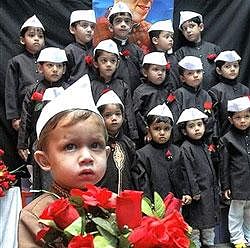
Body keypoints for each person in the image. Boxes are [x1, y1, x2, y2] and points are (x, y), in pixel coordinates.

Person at [18, 74, 111, 247]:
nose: (86, 157)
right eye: (70, 147)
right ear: (44, 160)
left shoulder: (113, 205)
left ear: (106, 154)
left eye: (95, 145)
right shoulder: (36, 216)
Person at [17, 47, 67, 192]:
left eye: (59, 66)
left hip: (64, 141)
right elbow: (26, 117)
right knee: (42, 180)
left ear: (64, 69)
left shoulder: (68, 90)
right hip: (39, 143)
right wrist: (22, 144)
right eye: (50, 65)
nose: (55, 69)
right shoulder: (34, 90)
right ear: (40, 67)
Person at [177, 107, 219, 248]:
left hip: (208, 193)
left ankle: (209, 244)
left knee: (208, 225)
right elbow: (187, 171)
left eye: (199, 125)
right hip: (197, 196)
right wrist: (194, 192)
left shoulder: (204, 145)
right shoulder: (186, 148)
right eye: (191, 126)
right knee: (194, 226)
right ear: (184, 131)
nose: (196, 129)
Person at [133, 103, 191, 204]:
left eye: (166, 129)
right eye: (157, 129)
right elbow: (143, 184)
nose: (162, 133)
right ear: (148, 130)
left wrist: (186, 193)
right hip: (154, 208)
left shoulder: (178, 151)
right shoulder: (142, 155)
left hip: (176, 204)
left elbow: (184, 174)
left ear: (171, 129)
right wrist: (149, 205)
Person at [90, 39, 138, 142]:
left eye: (112, 61)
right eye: (104, 60)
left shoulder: (122, 86)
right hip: (96, 135)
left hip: (120, 135)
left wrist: (133, 135)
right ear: (95, 62)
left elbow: (129, 113)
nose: (108, 64)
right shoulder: (91, 87)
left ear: (117, 63)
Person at [5, 15, 45, 131]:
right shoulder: (16, 62)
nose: (36, 38)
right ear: (23, 40)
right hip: (25, 110)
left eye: (40, 36)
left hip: (46, 108)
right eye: (31, 35)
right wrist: (14, 117)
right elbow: (10, 91)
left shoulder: (48, 61)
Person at [219, 96, 250, 248]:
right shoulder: (227, 139)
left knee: (249, 213)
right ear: (231, 119)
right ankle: (237, 238)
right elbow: (224, 165)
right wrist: (226, 186)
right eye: (238, 117)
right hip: (237, 183)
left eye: (246, 116)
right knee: (236, 213)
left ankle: (248, 237)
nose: (243, 121)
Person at [97, 2, 144, 93]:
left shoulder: (137, 50)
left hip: (135, 94)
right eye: (118, 21)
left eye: (127, 21)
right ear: (111, 27)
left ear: (130, 27)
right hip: (113, 93)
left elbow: (143, 73)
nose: (123, 24)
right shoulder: (105, 48)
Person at [168, 56, 215, 145]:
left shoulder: (206, 95)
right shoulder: (178, 94)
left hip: (203, 140)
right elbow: (175, 120)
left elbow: (210, 118)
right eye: (190, 73)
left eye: (198, 71)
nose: (196, 75)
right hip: (183, 141)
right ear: (182, 78)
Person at [96, 90, 136, 194]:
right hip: (101, 197)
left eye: (118, 114)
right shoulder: (95, 144)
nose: (114, 118)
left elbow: (135, 172)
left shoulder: (129, 144)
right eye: (108, 115)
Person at [175, 11, 221, 90]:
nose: (188, 30)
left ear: (201, 27)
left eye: (191, 26)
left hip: (215, 93)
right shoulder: (181, 53)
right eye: (185, 28)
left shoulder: (214, 49)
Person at [133, 51, 171, 147]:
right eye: (155, 69)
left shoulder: (168, 89)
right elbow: (137, 113)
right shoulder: (141, 91)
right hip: (149, 136)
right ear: (145, 72)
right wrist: (147, 130)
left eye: (163, 70)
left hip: (167, 133)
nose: (160, 73)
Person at [208, 50, 249, 137]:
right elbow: (214, 119)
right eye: (227, 66)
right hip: (226, 137)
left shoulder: (245, 90)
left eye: (235, 66)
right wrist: (216, 139)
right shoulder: (215, 91)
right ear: (219, 70)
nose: (232, 69)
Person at [64, 9, 96, 84]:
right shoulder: (69, 51)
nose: (89, 30)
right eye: (84, 25)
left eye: (92, 27)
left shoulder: (95, 51)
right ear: (72, 29)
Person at [148, 19, 180, 90]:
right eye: (167, 37)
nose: (171, 39)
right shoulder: (151, 60)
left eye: (171, 37)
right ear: (155, 40)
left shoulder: (174, 58)